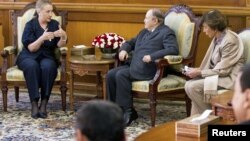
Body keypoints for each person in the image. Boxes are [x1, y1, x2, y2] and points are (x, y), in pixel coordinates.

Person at [106, 8, 178, 126]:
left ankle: (129, 112)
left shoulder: (166, 32)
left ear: (154, 20)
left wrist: (152, 56)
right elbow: (129, 43)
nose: (144, 20)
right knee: (111, 74)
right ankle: (114, 111)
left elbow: (173, 49)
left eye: (146, 18)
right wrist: (123, 50)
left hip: (151, 69)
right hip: (135, 65)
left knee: (121, 75)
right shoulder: (144, 32)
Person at [184, 10, 244, 116]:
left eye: (206, 27)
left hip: (228, 79)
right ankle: (197, 122)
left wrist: (200, 73)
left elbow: (223, 70)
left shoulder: (230, 40)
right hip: (220, 75)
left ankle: (210, 117)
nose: (204, 30)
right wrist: (198, 70)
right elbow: (214, 64)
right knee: (189, 84)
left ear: (215, 28)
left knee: (192, 87)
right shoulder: (218, 38)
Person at [16, 0, 67, 119]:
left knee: (49, 67)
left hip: (47, 56)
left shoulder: (54, 24)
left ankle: (44, 102)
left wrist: (64, 36)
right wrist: (42, 38)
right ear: (39, 11)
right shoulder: (30, 25)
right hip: (28, 56)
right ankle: (34, 103)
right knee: (32, 66)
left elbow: (60, 45)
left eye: (51, 11)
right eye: (48, 11)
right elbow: (31, 48)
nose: (51, 14)